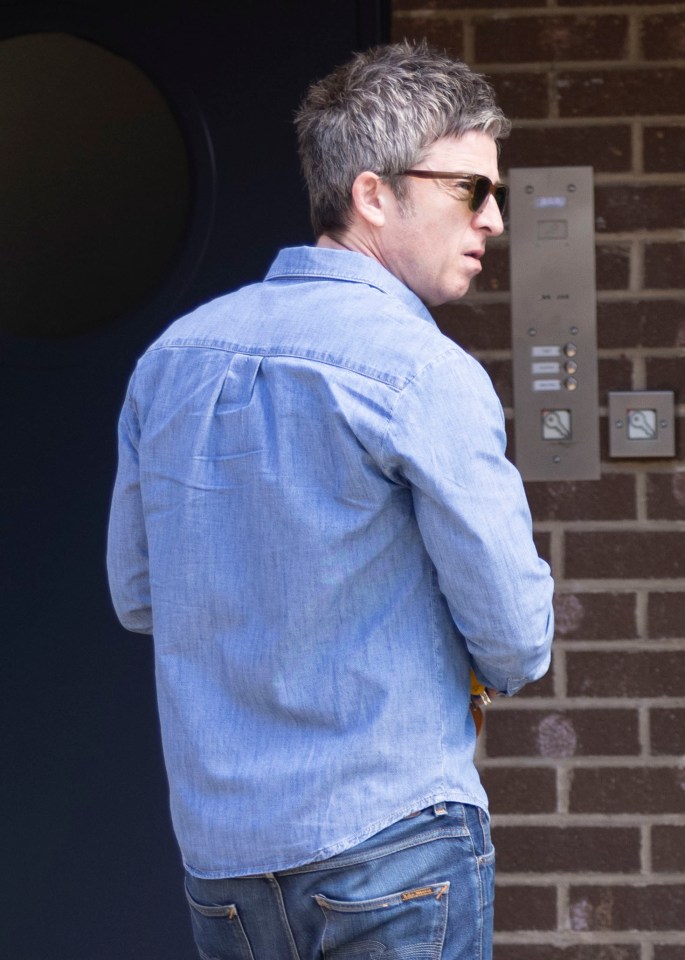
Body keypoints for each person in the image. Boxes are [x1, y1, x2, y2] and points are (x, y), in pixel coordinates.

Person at [107, 40, 554, 960]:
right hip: (391, 837)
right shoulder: (423, 371)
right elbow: (515, 638)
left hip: (225, 855)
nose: (494, 219)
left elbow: (138, 593)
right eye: (469, 189)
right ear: (372, 194)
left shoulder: (171, 359)